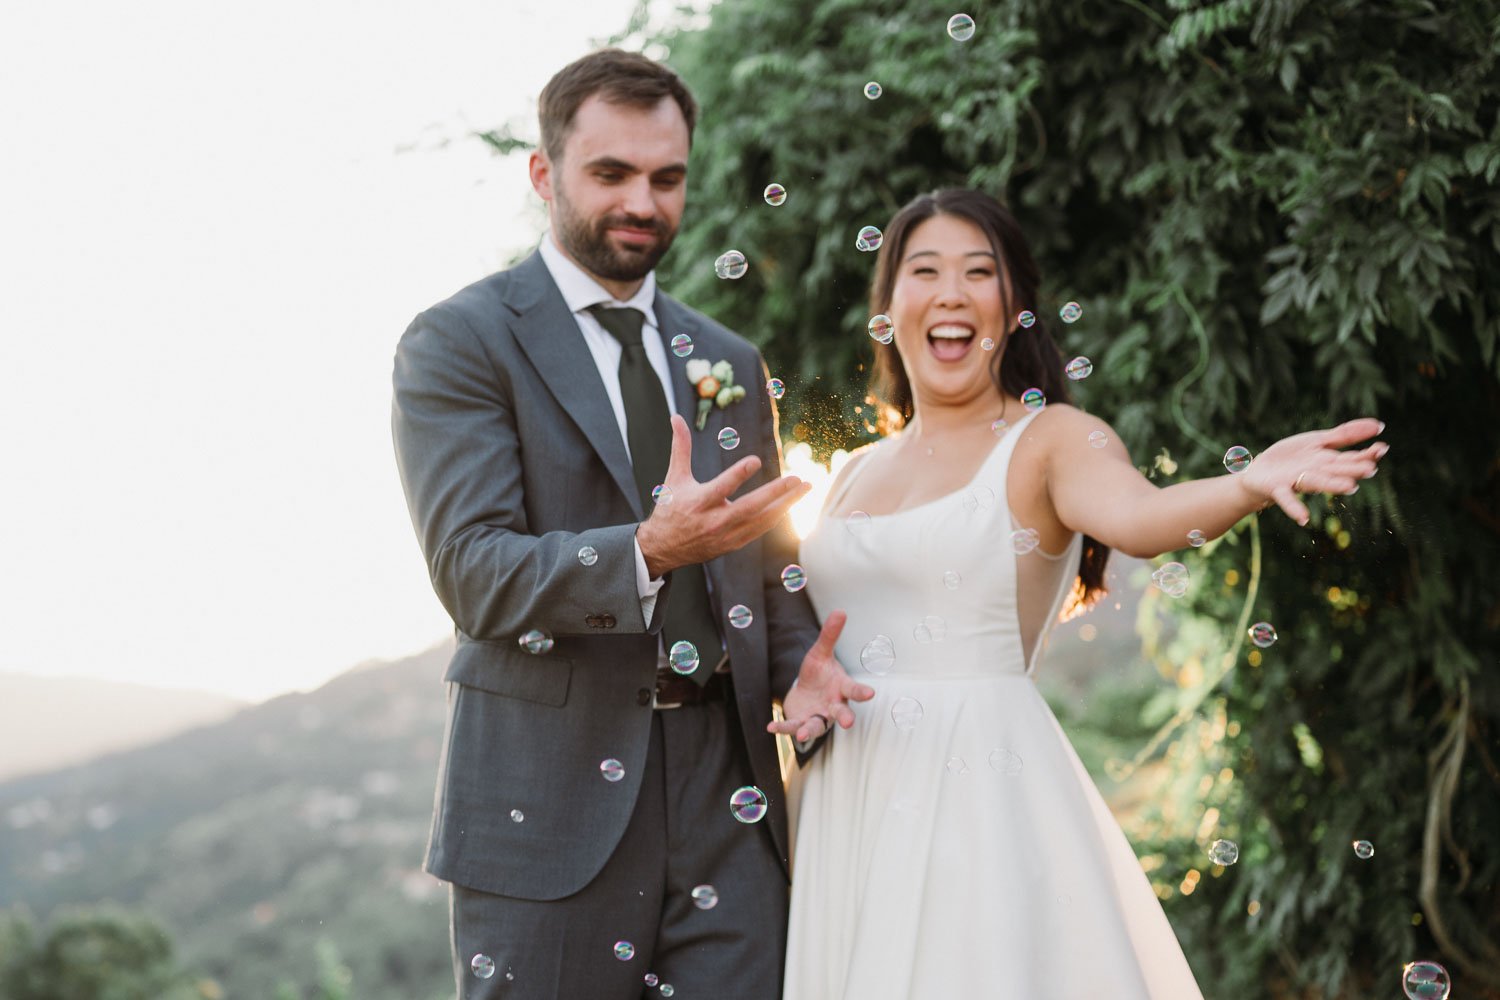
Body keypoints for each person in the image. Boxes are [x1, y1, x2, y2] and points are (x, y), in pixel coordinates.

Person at [770, 188, 1387, 998]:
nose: (951, 292)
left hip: (973, 789)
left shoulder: (1051, 439)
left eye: (978, 272)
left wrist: (1248, 484)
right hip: (842, 792)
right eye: (924, 270)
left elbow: (1143, 517)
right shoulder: (851, 471)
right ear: (888, 307)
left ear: (1013, 306)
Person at [390, 49, 869, 1000]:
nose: (642, 204)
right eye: (610, 174)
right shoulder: (460, 342)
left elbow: (761, 564)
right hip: (548, 803)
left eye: (666, 177)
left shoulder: (724, 357)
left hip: (726, 807)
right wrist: (649, 551)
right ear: (545, 174)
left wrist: (803, 658)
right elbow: (473, 571)